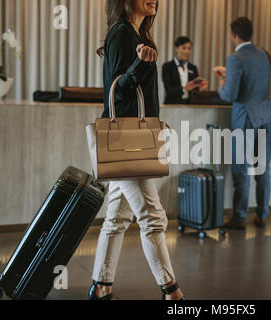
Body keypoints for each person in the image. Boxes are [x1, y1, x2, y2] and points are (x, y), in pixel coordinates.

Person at [90, 0, 184, 301]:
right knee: (154, 219)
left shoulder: (138, 35)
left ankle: (100, 285)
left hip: (133, 142)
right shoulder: (121, 33)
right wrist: (141, 63)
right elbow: (115, 91)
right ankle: (172, 292)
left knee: (116, 219)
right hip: (128, 143)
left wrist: (142, 61)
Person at [214, 17, 271, 230]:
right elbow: (254, 83)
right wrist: (229, 75)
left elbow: (230, 94)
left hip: (245, 120)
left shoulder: (235, 58)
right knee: (263, 169)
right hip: (266, 117)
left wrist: (222, 83)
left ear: (233, 34)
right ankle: (262, 215)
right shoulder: (263, 55)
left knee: (241, 169)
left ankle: (240, 217)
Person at [162, 36, 209, 104]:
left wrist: (199, 88)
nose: (187, 51)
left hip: (189, 106)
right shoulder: (167, 66)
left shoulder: (193, 68)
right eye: (184, 48)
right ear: (176, 48)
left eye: (189, 48)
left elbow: (194, 90)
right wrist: (184, 89)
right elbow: (168, 90)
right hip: (172, 105)